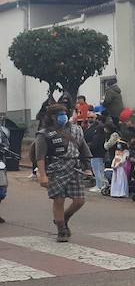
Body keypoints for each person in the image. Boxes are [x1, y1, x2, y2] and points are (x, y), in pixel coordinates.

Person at [34, 101, 91, 242]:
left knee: (79, 200)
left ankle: (64, 217)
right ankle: (61, 229)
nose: (64, 117)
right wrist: (42, 175)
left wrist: (88, 167)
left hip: (74, 167)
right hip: (56, 168)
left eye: (65, 114)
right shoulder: (44, 134)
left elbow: (84, 149)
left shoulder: (76, 130)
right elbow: (40, 156)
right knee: (58, 200)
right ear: (52, 116)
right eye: (60, 114)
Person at [84, 115, 108, 192]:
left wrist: (89, 145)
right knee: (100, 170)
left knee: (96, 170)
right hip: (100, 154)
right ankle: (101, 185)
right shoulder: (103, 135)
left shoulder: (97, 135)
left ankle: (99, 186)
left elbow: (94, 144)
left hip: (95, 154)